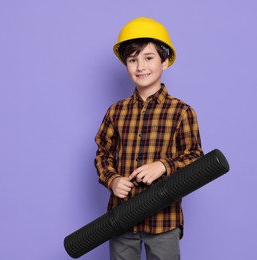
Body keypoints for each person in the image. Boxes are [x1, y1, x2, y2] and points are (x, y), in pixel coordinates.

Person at [94, 17, 203, 260]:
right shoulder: (116, 111)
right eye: (132, 60)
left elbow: (195, 158)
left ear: (165, 62)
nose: (140, 66)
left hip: (163, 221)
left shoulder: (181, 112)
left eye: (148, 58)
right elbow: (103, 154)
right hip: (121, 219)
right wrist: (112, 180)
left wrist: (163, 165)